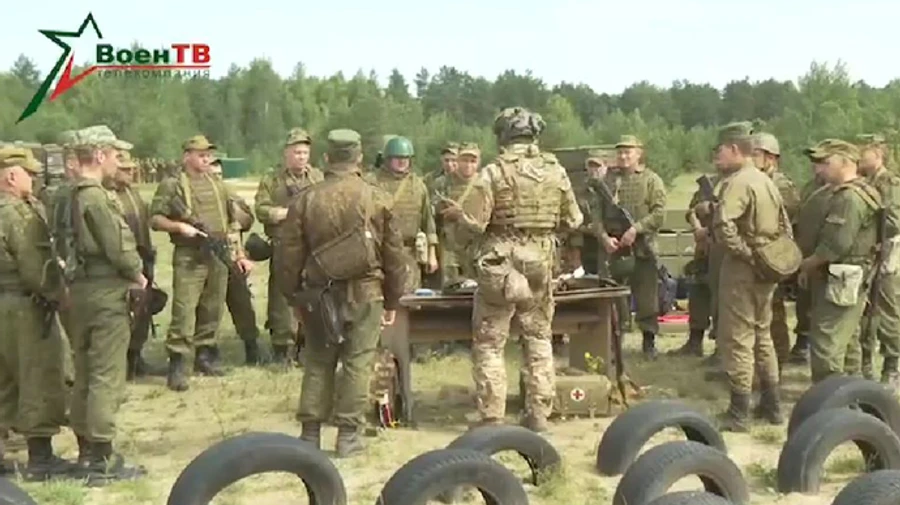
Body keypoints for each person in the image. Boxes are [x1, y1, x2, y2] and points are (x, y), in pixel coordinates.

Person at [279, 129, 406, 457]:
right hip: (367, 294)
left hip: (319, 296)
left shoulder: (305, 199)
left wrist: (294, 298)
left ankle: (310, 435)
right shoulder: (377, 197)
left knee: (318, 361)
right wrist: (392, 300)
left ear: (325, 159)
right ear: (360, 158)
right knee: (357, 362)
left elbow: (288, 256)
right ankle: (348, 436)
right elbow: (394, 256)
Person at [470, 107, 582, 432]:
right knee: (538, 336)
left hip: (501, 261)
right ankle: (538, 415)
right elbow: (574, 219)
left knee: (491, 341)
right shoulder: (555, 171)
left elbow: (475, 223)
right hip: (541, 259)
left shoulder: (493, 172)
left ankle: (492, 417)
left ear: (503, 134)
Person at [61, 125, 147, 482]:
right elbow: (117, 246)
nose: (117, 160)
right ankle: (101, 458)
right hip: (103, 292)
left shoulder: (67, 194)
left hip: (79, 291)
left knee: (84, 372)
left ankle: (86, 451)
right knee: (105, 375)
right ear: (98, 156)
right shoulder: (94, 196)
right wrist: (138, 274)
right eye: (113, 154)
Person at [150, 135, 253, 391]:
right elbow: (155, 219)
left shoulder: (218, 185)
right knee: (184, 310)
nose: (206, 158)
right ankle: (178, 363)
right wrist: (179, 227)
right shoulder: (172, 185)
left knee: (212, 308)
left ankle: (205, 355)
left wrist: (237, 251)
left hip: (217, 252)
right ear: (187, 156)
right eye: (200, 154)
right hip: (189, 255)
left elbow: (233, 220)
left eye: (208, 154)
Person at [711, 121, 789, 432]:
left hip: (744, 268)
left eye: (719, 151)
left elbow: (724, 226)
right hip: (767, 264)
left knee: (738, 338)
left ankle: (739, 411)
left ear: (733, 149)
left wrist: (745, 253)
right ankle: (772, 406)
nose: (716, 158)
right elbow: (785, 225)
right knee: (763, 335)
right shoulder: (766, 181)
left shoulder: (738, 182)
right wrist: (772, 258)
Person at [0, 146, 72, 480]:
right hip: (24, 305)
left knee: (5, 381)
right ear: (11, 176)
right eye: (29, 173)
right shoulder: (16, 213)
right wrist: (58, 294)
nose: (35, 178)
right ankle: (41, 458)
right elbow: (34, 267)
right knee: (37, 376)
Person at [800, 139, 881, 383]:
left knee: (827, 341)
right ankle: (851, 392)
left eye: (825, 162)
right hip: (847, 274)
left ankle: (829, 396)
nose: (819, 169)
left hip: (841, 275)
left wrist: (808, 264)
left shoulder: (849, 198)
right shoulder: (857, 191)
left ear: (846, 163)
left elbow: (835, 245)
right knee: (849, 338)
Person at [255, 128, 324, 364]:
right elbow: (261, 209)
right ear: (286, 153)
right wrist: (283, 214)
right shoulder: (272, 180)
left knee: (312, 295)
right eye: (297, 152)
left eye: (305, 152)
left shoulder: (318, 178)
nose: (301, 157)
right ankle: (281, 346)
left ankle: (307, 343)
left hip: (312, 247)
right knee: (281, 298)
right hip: (283, 246)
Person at [595, 135, 667, 358]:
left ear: (639, 153)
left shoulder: (651, 180)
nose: (623, 156)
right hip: (613, 247)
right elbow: (595, 214)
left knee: (646, 296)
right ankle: (612, 341)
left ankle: (649, 342)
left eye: (628, 152)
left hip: (641, 247)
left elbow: (659, 213)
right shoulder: (607, 181)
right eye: (620, 152)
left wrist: (636, 229)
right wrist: (604, 237)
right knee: (611, 296)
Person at [109, 150, 165, 380]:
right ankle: (120, 361)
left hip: (143, 258)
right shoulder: (108, 196)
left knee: (142, 311)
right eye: (124, 169)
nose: (131, 172)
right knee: (123, 314)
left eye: (131, 168)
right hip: (122, 263)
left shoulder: (134, 194)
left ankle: (135, 356)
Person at [751, 132, 801, 374]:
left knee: (774, 315)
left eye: (756, 154)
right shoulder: (754, 180)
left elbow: (786, 220)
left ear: (771, 157)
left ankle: (777, 365)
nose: (751, 158)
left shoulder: (781, 185)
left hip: (774, 257)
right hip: (757, 258)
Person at [855, 134, 900, 388]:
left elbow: (893, 221)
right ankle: (865, 362)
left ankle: (892, 365)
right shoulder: (864, 182)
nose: (861, 157)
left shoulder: (889, 182)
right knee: (865, 310)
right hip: (869, 250)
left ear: (879, 155)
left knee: (887, 309)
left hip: (887, 251)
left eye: (867, 153)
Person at [210, 158, 261, 364]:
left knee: (242, 305)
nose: (217, 180)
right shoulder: (200, 200)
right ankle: (208, 350)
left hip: (232, 256)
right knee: (210, 309)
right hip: (209, 259)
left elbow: (247, 222)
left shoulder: (230, 195)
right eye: (213, 175)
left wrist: (235, 210)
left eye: (220, 176)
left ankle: (252, 347)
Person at [436, 142, 488, 287]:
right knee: (450, 291)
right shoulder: (443, 183)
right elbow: (434, 213)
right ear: (457, 160)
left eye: (473, 161)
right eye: (464, 160)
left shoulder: (485, 184)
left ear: (478, 163)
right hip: (451, 248)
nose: (468, 165)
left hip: (478, 247)